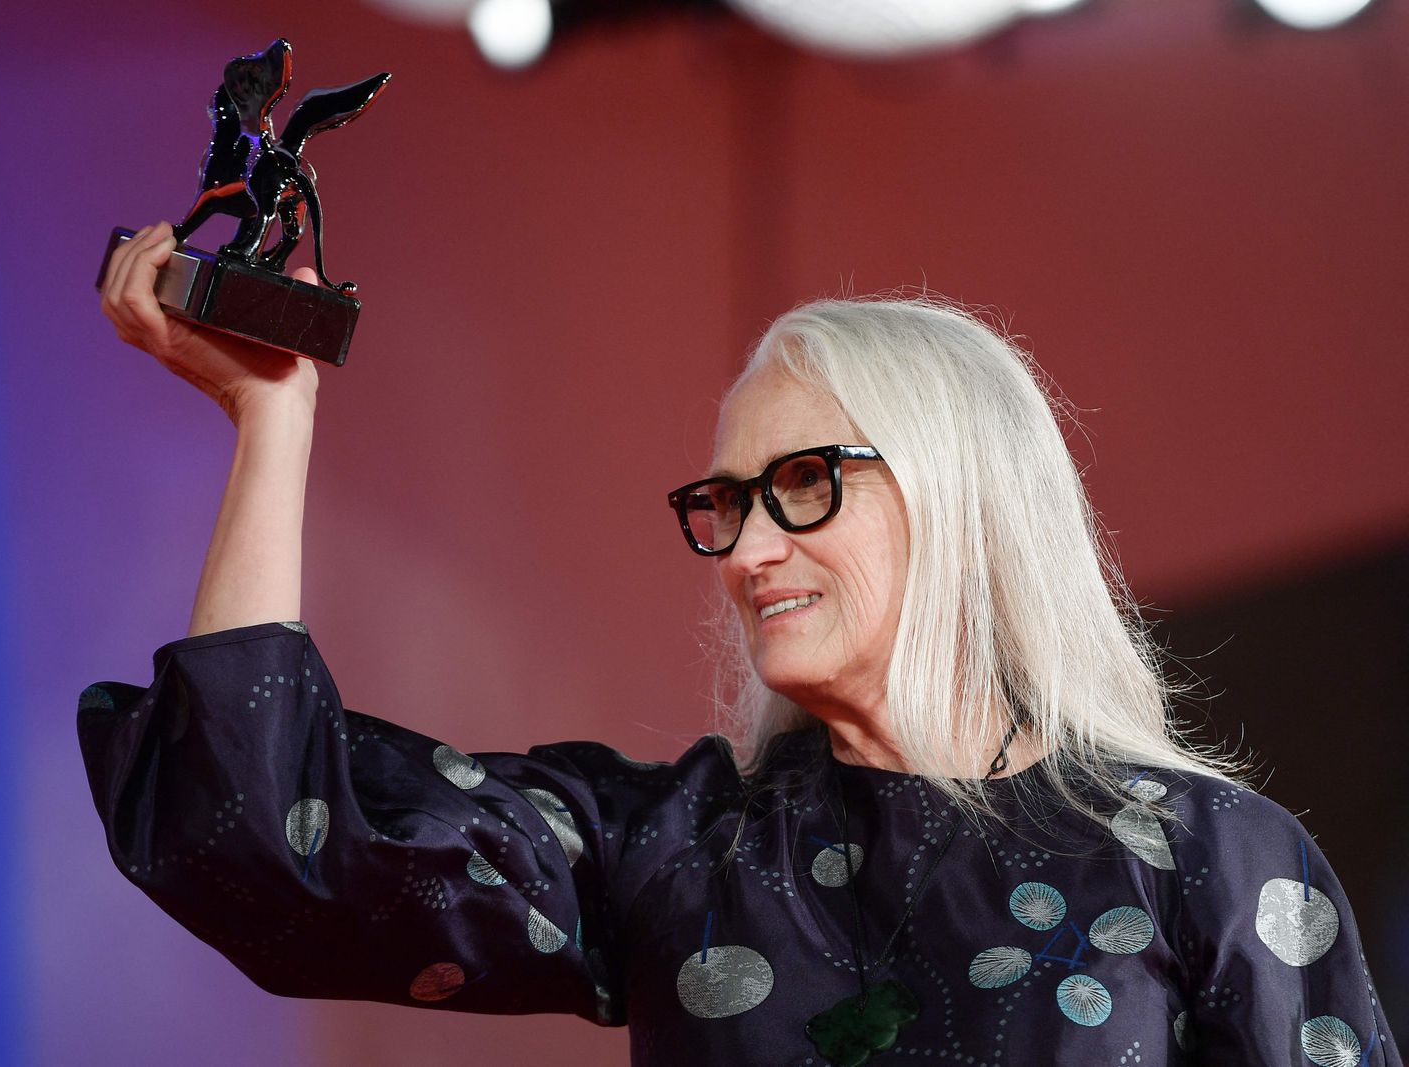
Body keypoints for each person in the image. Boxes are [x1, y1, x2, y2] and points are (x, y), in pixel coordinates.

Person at [82, 223, 1400, 1066]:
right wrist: (273, 425)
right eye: (727, 504)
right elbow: (267, 839)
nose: (752, 549)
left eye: (806, 483)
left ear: (963, 493)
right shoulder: (685, 854)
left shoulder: (1207, 859)